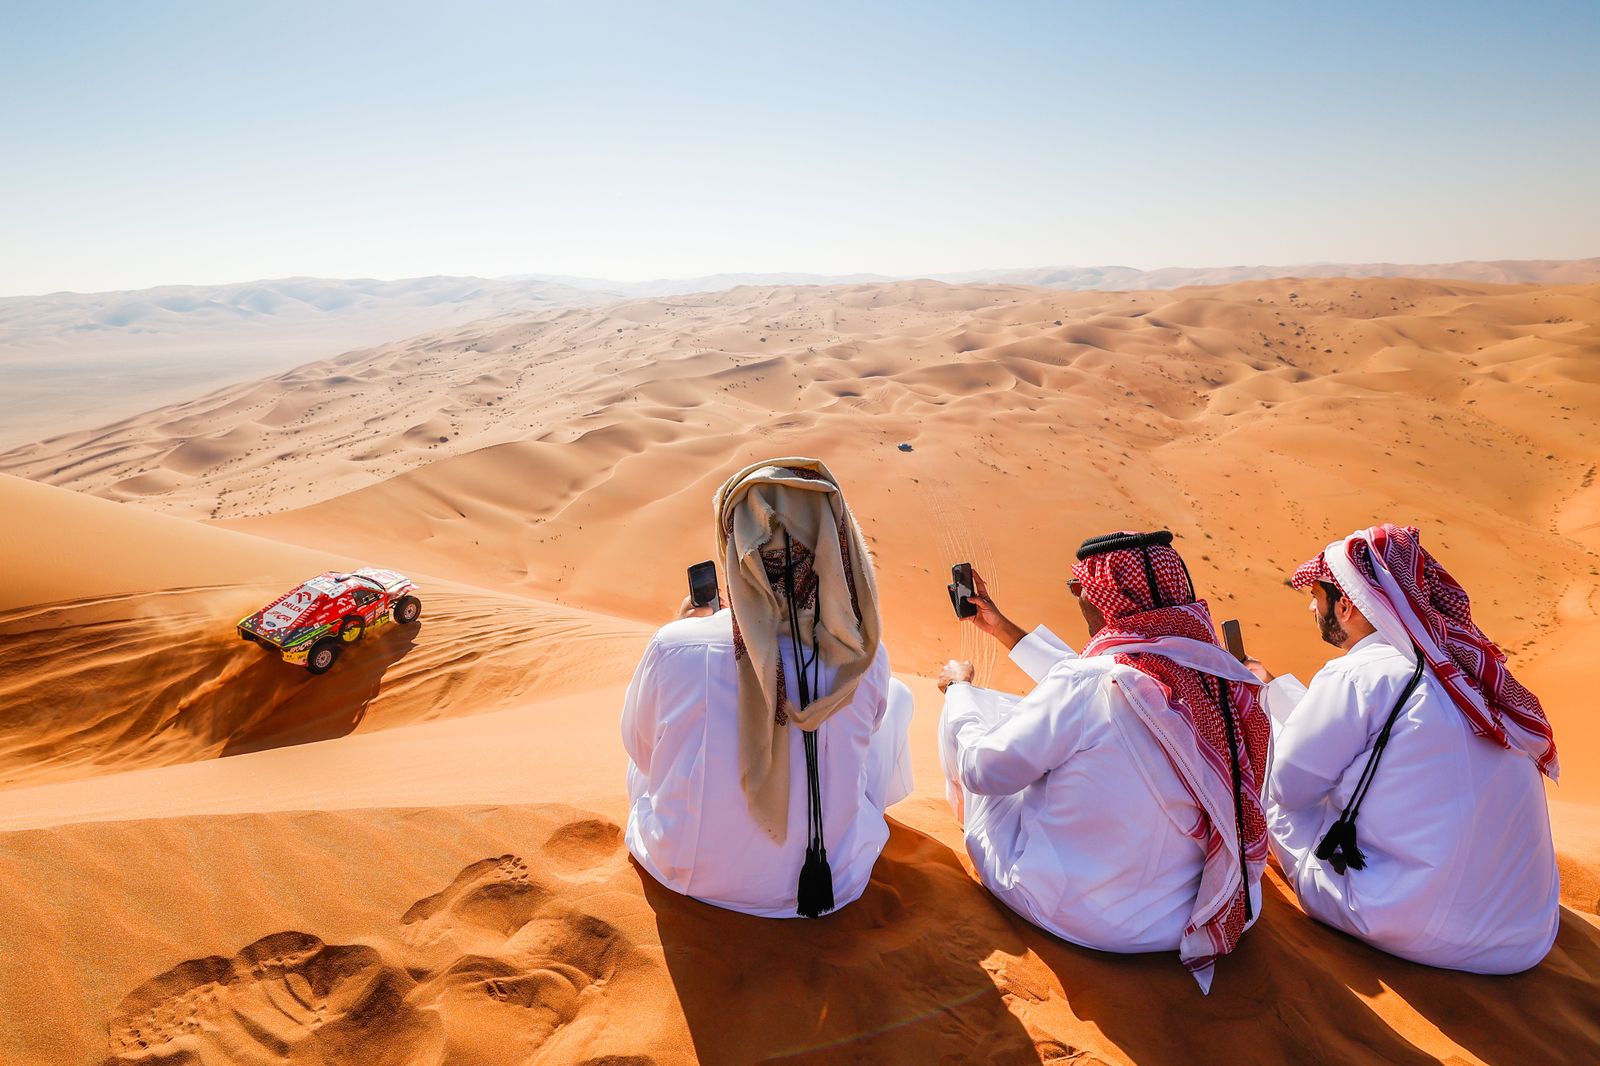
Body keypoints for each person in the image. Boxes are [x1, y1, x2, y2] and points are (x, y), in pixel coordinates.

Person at [937, 531, 1268, 991]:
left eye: (1078, 587)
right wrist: (1002, 628)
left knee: (988, 722)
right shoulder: (1222, 678)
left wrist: (960, 695)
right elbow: (1103, 678)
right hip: (1201, 909)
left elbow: (983, 771)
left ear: (1099, 595)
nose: (1076, 597)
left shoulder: (1092, 683)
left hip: (1085, 917)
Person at [1247, 523, 1560, 973]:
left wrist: (1258, 713)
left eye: (1315, 597)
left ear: (1346, 604)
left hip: (1419, 928)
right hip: (1525, 936)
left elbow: (1289, 788)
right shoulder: (1469, 674)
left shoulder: (1359, 674)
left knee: (1268, 791)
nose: (1312, 608)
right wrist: (1274, 690)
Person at [622, 458, 914, 918]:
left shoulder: (674, 646)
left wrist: (688, 631)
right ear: (835, 545)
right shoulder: (864, 657)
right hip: (834, 880)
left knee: (653, 745)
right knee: (897, 700)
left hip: (682, 872)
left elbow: (640, 751)